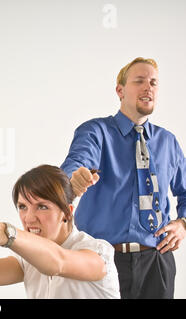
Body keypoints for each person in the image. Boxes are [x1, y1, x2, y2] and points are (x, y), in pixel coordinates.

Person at [60, 57, 186, 299]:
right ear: (120, 90)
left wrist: (182, 224)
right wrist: (72, 179)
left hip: (157, 262)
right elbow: (76, 163)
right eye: (139, 81)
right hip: (102, 260)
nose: (148, 87)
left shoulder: (168, 142)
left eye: (153, 82)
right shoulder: (95, 132)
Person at [0, 165, 120, 298]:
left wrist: (6, 233)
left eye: (42, 207)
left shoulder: (98, 252)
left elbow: (58, 262)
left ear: (67, 213)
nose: (28, 218)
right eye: (22, 206)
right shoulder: (28, 261)